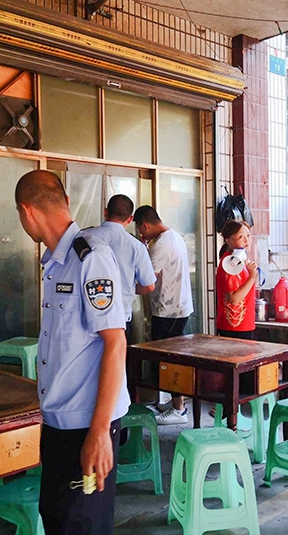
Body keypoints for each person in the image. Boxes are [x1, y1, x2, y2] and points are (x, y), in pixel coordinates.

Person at [15, 170, 130, 535]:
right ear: (63, 202)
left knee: (83, 525)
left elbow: (115, 342)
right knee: (59, 520)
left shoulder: (90, 257)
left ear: (26, 212)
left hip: (87, 426)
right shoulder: (55, 262)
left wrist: (98, 433)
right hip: (58, 424)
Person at [134, 205, 194, 426]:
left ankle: (179, 409)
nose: (142, 235)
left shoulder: (160, 245)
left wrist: (125, 289)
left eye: (141, 230)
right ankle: (176, 403)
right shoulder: (174, 236)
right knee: (171, 357)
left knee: (168, 360)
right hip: (178, 306)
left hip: (169, 310)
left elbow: (148, 283)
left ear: (145, 225)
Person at [88, 194, 156, 348]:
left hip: (87, 320)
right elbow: (150, 286)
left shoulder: (85, 238)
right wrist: (129, 287)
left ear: (105, 212)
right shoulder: (136, 246)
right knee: (119, 367)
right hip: (120, 321)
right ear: (130, 219)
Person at [216, 220, 259, 340]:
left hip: (243, 324)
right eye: (241, 236)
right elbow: (234, 299)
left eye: (248, 235)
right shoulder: (230, 263)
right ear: (228, 240)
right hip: (235, 326)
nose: (247, 240)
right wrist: (252, 277)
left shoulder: (238, 259)